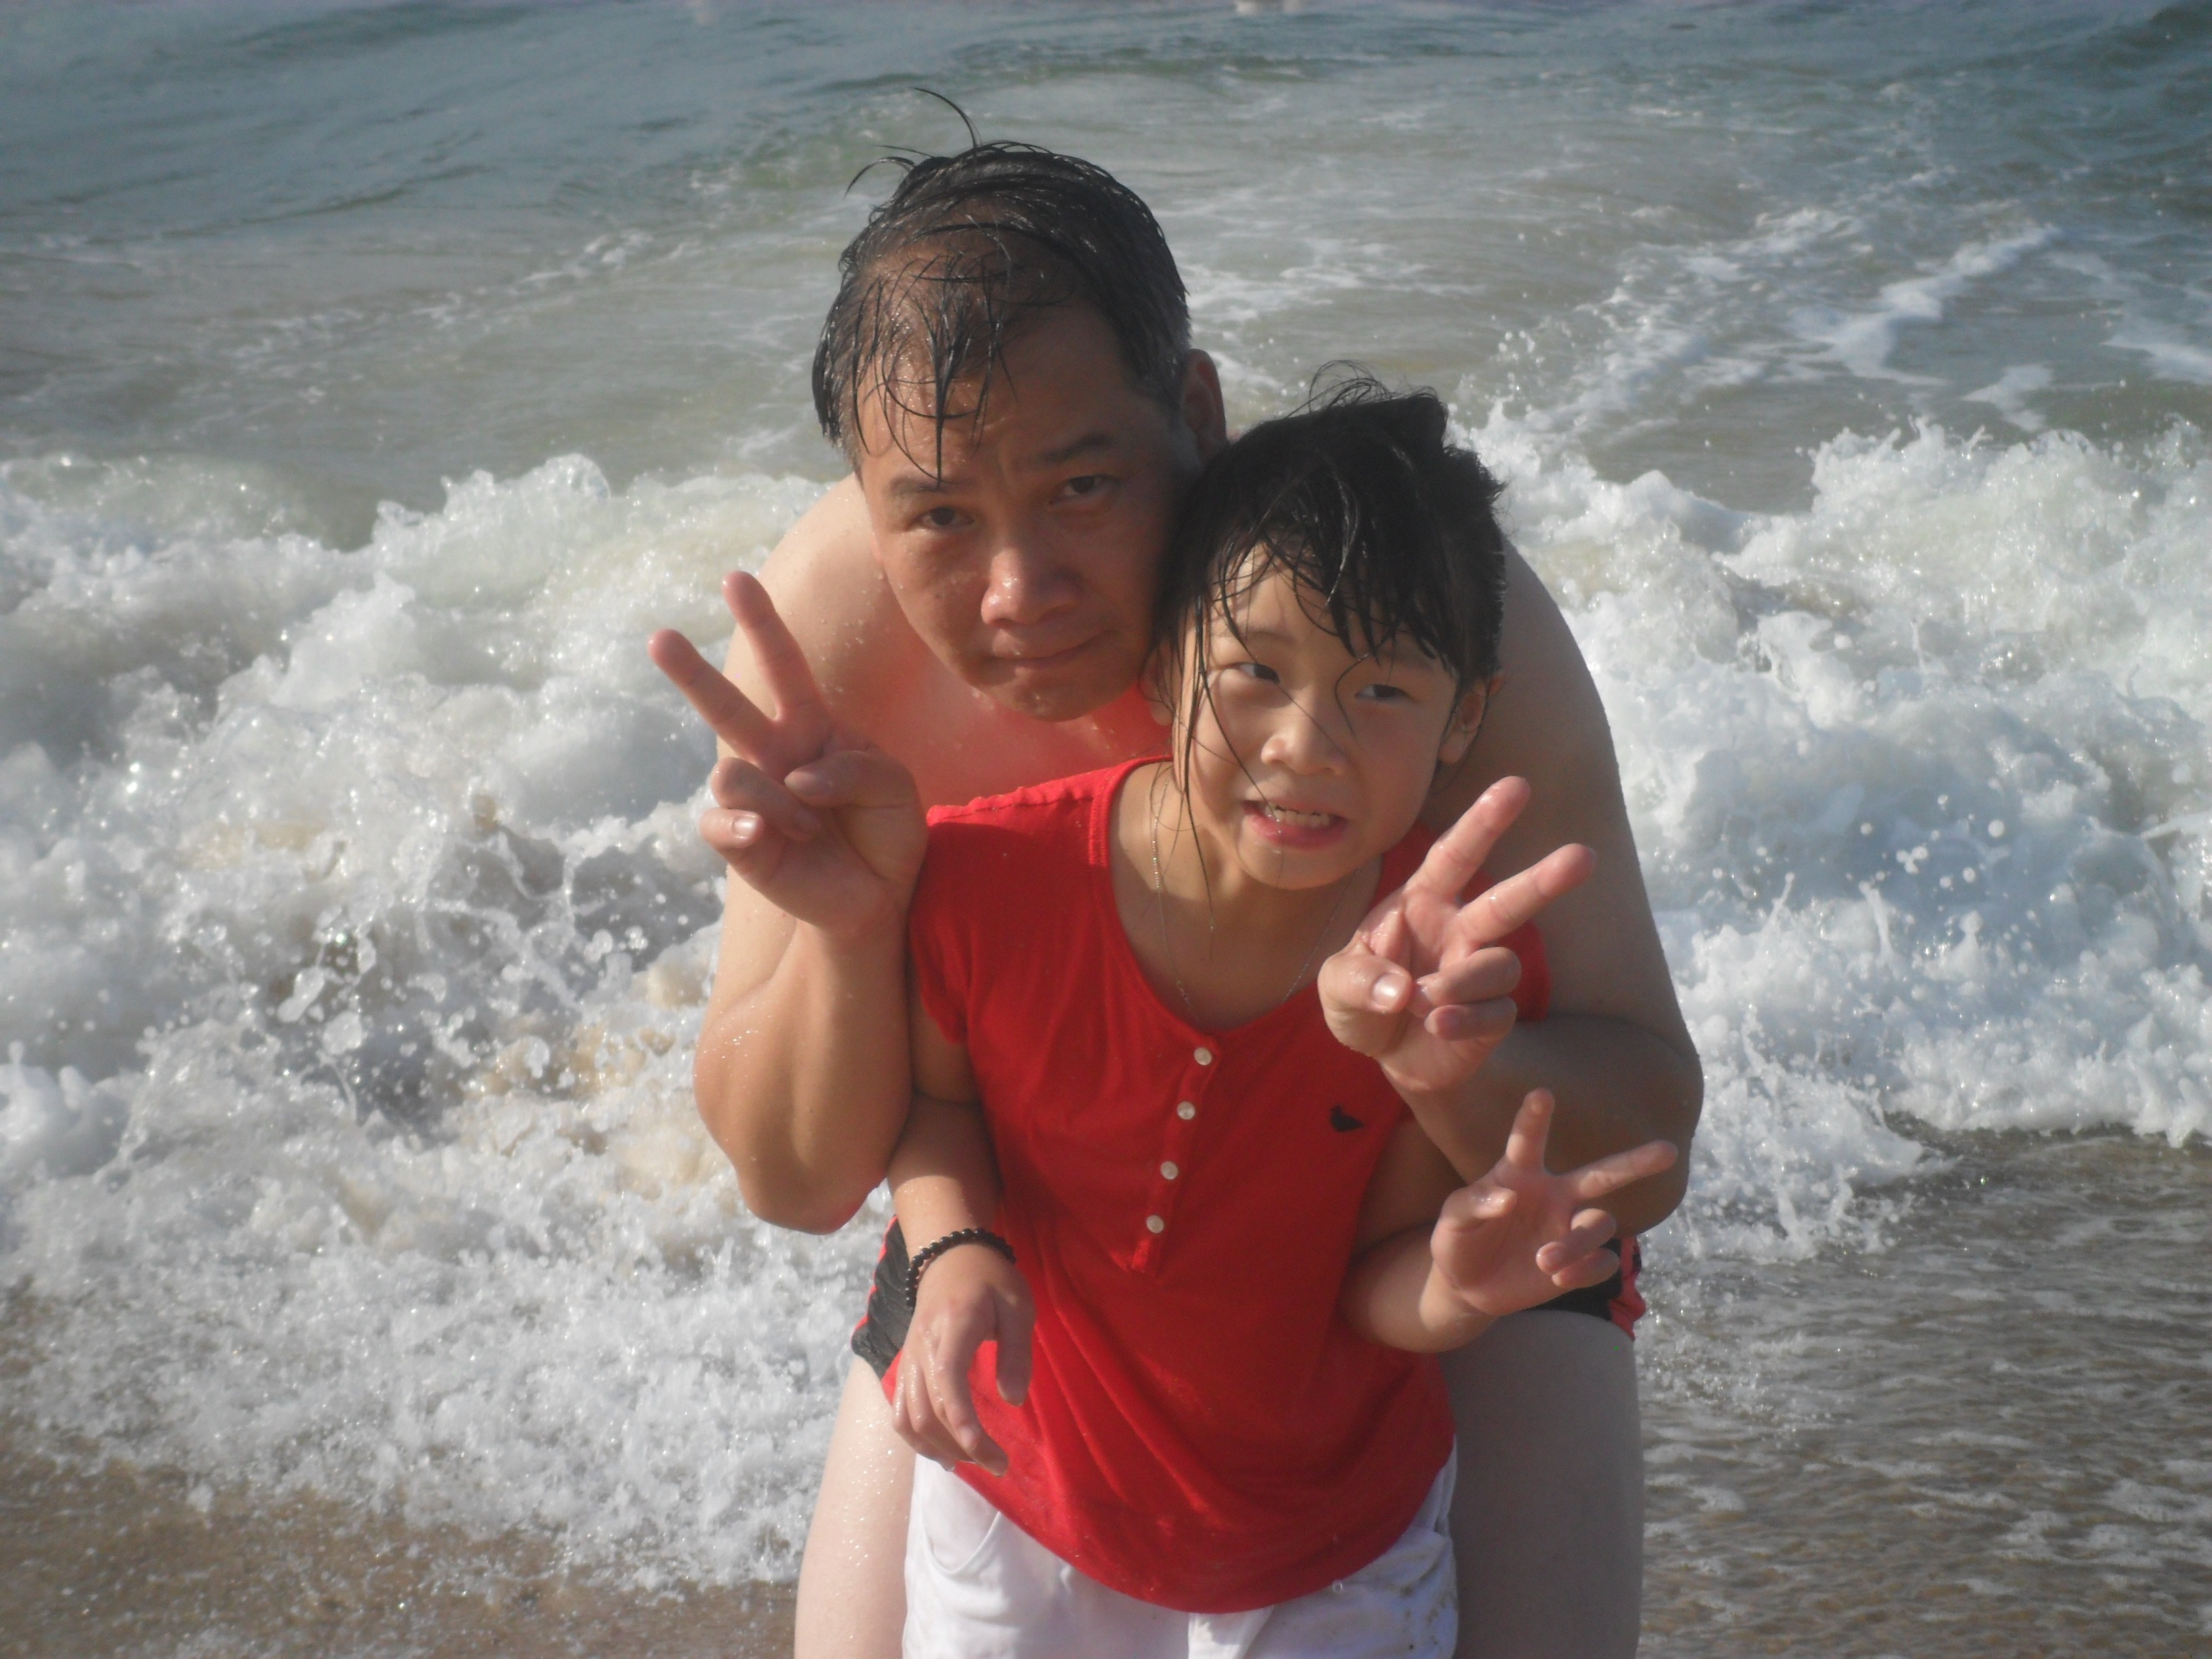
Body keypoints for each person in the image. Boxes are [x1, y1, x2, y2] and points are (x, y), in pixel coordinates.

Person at [648, 140, 1701, 1659]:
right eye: (937, 518)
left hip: (1439, 1230)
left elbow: (1642, 1137)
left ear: (1195, 416)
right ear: (870, 504)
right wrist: (850, 930)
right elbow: (797, 1180)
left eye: (1084, 487)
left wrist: (1462, 1079)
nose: (1019, 590)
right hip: (1042, 1263)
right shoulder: (833, 629)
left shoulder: (1404, 616)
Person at [879, 384, 1679, 1658]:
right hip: (1019, 1501)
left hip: (1325, 1553)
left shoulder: (1441, 979)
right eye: (1254, 671)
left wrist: (1456, 1288)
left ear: (1465, 719)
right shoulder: (991, 880)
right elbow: (934, 1103)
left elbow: (1372, 1292)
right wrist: (955, 1250)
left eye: (1384, 692)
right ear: (1164, 667)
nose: (1307, 745)